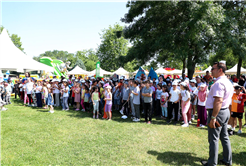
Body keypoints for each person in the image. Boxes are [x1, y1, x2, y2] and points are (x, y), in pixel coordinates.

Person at [201, 61, 234, 166]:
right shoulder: (228, 81)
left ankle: (211, 163)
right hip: (225, 111)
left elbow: (218, 101)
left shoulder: (219, 83)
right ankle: (227, 160)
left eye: (213, 69)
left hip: (218, 112)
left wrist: (213, 117)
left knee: (213, 138)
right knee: (224, 137)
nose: (211, 71)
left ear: (220, 70)